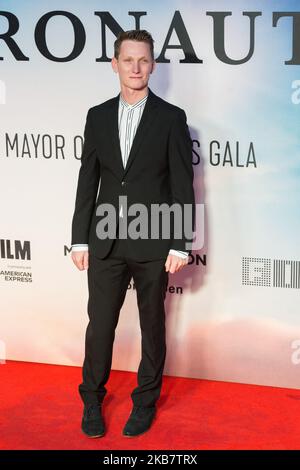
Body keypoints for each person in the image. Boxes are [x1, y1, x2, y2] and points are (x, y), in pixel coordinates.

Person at [71, 29, 195, 438]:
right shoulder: (97, 115)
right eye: (128, 60)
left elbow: (182, 185)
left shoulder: (171, 117)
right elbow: (87, 180)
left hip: (154, 238)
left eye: (143, 60)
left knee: (151, 325)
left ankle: (145, 402)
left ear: (152, 65)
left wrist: (179, 241)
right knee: (100, 324)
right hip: (105, 236)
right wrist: (80, 237)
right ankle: (92, 400)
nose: (136, 68)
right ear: (115, 63)